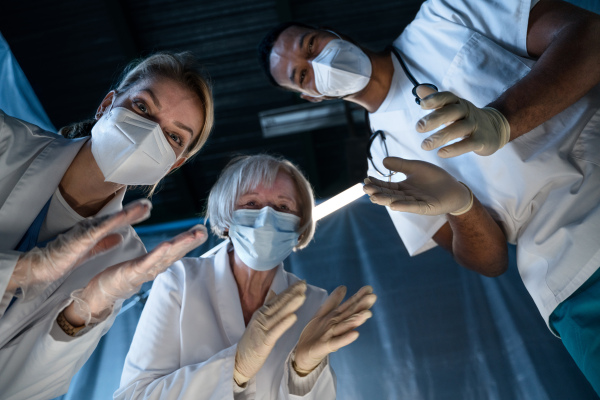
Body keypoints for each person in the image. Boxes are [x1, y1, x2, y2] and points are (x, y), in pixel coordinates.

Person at [257, 0, 600, 393]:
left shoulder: (445, 14)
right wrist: (461, 207)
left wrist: (501, 120)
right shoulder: (382, 167)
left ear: (331, 32)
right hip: (570, 270)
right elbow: (488, 261)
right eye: (303, 75)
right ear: (311, 97)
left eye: (312, 45)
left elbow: (589, 35)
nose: (321, 65)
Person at [0, 51, 215, 399]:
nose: (149, 134)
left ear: (173, 165)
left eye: (174, 137)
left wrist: (83, 311)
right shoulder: (6, 142)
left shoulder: (125, 260)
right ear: (106, 106)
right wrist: (23, 271)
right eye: (143, 108)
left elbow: (28, 389)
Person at [114, 154, 377, 399]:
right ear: (227, 218)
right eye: (251, 203)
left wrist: (303, 374)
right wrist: (235, 368)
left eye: (283, 206)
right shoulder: (180, 280)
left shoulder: (313, 303)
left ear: (299, 227)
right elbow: (135, 394)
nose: (267, 217)